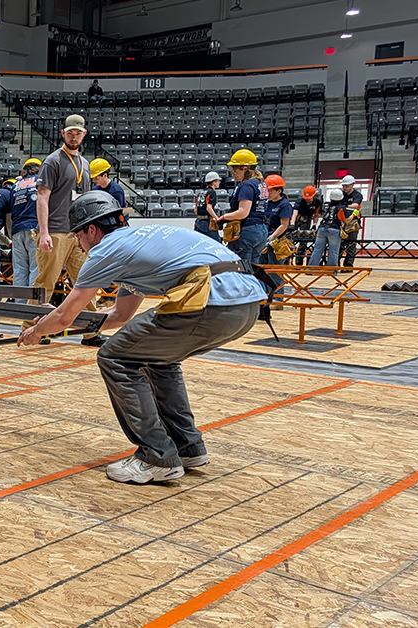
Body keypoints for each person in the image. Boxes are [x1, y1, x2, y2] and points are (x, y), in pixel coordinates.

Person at [17, 191, 266, 484]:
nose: (79, 246)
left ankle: (156, 456)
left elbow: (65, 317)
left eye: (78, 237)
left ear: (92, 230)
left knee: (114, 357)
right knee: (156, 357)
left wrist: (38, 330)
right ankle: (187, 447)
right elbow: (119, 316)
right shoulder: (137, 243)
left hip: (211, 300)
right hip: (247, 304)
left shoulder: (105, 249)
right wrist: (53, 321)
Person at [35, 114, 100, 346]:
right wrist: (43, 232)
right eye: (70, 132)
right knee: (46, 282)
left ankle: (91, 331)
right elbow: (42, 197)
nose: (74, 136)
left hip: (77, 234)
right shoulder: (53, 161)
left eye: (78, 133)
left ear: (84, 134)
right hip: (55, 231)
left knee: (87, 281)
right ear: (63, 133)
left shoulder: (84, 164)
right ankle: (33, 328)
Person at [217, 148, 268, 270]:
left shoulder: (247, 185)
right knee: (253, 268)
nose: (233, 173)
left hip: (247, 229)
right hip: (261, 229)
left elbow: (243, 212)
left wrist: (224, 217)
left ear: (245, 169)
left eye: (235, 169)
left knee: (239, 267)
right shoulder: (261, 183)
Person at [10, 158, 42, 293]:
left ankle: (19, 305)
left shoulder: (15, 185)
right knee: (36, 268)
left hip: (17, 229)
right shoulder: (41, 182)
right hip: (35, 227)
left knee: (19, 269)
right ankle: (31, 305)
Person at [261, 174, 294, 305]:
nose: (268, 193)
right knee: (263, 271)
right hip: (264, 241)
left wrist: (272, 237)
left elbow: (284, 225)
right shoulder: (266, 204)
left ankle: (278, 299)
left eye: (270, 190)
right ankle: (267, 297)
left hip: (277, 242)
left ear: (279, 191)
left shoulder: (284, 205)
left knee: (276, 272)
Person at [310, 189, 346, 266]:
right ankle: (331, 269)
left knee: (317, 249)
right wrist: (355, 213)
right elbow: (343, 220)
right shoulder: (341, 208)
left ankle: (312, 268)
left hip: (322, 228)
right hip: (334, 229)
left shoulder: (326, 207)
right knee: (333, 251)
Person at [337, 175, 364, 267]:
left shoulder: (357, 195)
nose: (344, 187)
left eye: (346, 186)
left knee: (351, 244)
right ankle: (336, 264)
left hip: (353, 222)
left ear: (352, 185)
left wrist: (342, 207)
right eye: (343, 186)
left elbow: (356, 206)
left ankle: (348, 266)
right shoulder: (341, 194)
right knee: (339, 244)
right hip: (341, 221)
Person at [292, 185, 321, 264]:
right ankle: (288, 260)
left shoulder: (318, 202)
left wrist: (315, 224)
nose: (307, 200)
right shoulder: (300, 201)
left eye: (309, 198)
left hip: (307, 219)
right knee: (290, 238)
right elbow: (295, 212)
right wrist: (292, 223)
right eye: (306, 198)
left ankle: (299, 261)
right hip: (297, 218)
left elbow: (316, 214)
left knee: (303, 240)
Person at [194, 171, 223, 242]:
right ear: (214, 182)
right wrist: (217, 219)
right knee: (216, 242)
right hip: (207, 222)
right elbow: (209, 207)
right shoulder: (212, 192)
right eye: (218, 181)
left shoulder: (201, 193)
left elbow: (196, 210)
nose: (219, 182)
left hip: (199, 221)